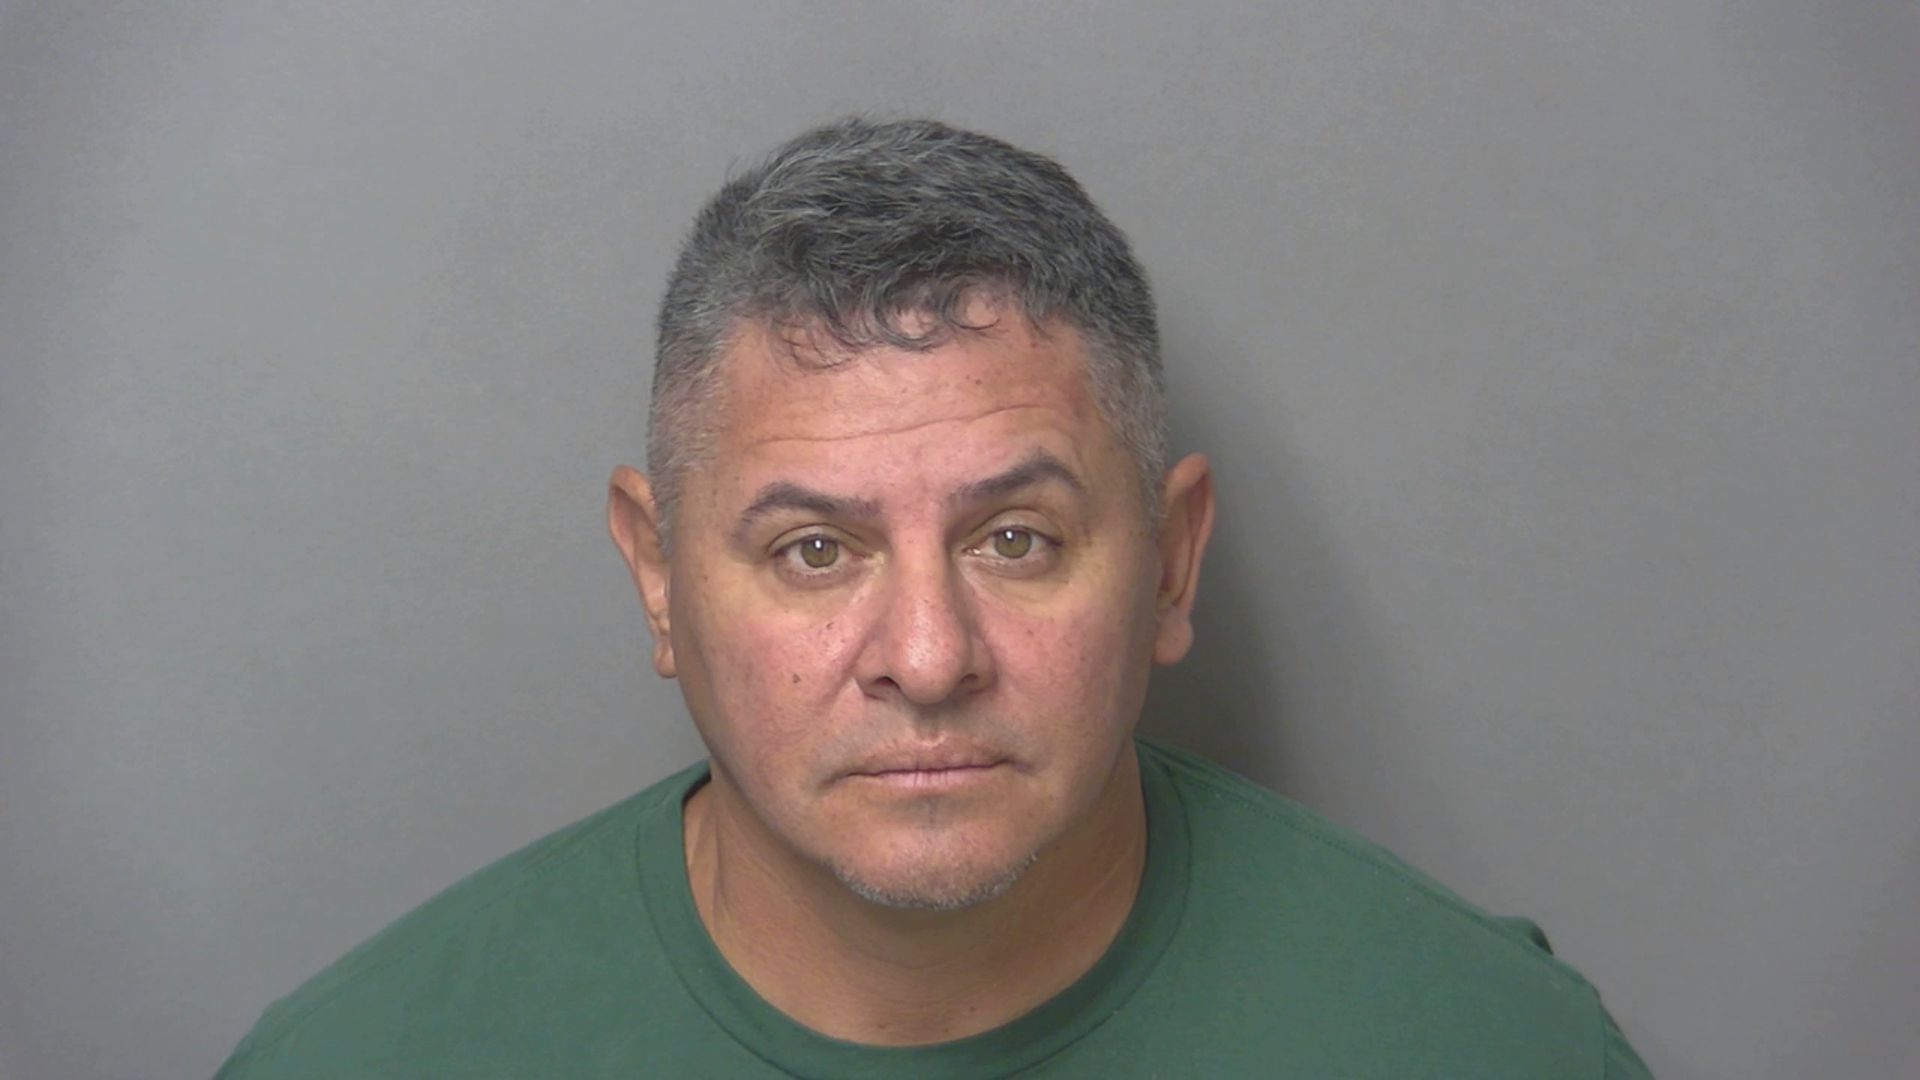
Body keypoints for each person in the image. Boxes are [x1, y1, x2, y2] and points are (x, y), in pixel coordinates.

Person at [219, 117, 1650, 1078]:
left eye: (1015, 539)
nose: (925, 655)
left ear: (1173, 560)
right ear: (658, 575)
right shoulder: (359, 1061)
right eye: (814, 551)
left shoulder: (1495, 1048)